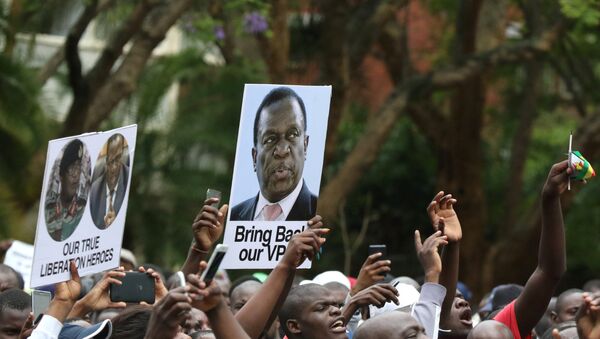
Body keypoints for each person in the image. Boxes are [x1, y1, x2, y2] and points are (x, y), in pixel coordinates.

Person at [231, 87, 317, 221]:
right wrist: (202, 243)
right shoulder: (233, 217)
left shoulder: (320, 216)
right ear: (254, 157)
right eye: (270, 139)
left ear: (305, 146)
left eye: (293, 134)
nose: (282, 151)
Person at [45, 139, 87, 241]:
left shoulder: (84, 211)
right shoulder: (48, 208)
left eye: (78, 168)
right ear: (61, 175)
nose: (76, 174)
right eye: (72, 168)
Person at [90, 134, 129, 229]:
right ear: (106, 160)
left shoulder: (128, 178)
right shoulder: (95, 189)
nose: (114, 167)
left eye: (118, 158)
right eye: (111, 161)